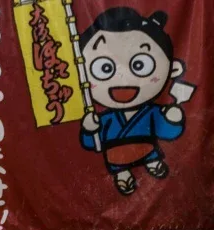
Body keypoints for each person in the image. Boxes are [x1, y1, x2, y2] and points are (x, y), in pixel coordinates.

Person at [79, 7, 192, 196]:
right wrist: (89, 130)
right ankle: (123, 174)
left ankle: (151, 163)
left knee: (152, 159)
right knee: (119, 167)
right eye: (104, 68)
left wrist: (173, 119)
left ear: (172, 69)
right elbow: (93, 143)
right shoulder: (106, 119)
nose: (123, 79)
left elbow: (168, 131)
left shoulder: (151, 112)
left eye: (140, 65)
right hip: (116, 157)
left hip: (148, 150)